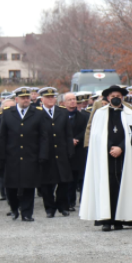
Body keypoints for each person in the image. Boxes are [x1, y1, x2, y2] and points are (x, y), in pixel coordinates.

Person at [80, 85, 132, 231]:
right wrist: (111, 147)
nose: (115, 98)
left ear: (122, 97)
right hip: (105, 156)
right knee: (107, 185)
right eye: (112, 96)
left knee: (122, 184)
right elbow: (97, 135)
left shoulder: (130, 114)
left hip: (125, 156)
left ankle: (120, 218)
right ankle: (107, 219)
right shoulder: (100, 113)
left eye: (118, 95)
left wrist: (121, 148)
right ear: (108, 98)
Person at [0, 87, 49, 222]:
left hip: (30, 155)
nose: (26, 100)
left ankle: (27, 213)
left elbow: (43, 136)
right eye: (23, 98)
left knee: (28, 185)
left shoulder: (37, 113)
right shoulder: (8, 113)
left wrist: (42, 154)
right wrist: (1, 156)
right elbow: (2, 136)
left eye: (27, 98)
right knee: (11, 186)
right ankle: (14, 208)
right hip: (12, 155)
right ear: (16, 99)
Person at [37, 87, 75, 218]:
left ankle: (62, 206)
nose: (51, 99)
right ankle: (49, 208)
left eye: (52, 97)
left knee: (64, 181)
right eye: (48, 97)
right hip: (46, 153)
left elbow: (68, 133)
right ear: (42, 99)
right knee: (46, 183)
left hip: (61, 151)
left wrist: (70, 150)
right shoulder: (37, 113)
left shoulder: (62, 112)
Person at [64, 92, 90, 211]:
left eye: (74, 99)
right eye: (69, 100)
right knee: (70, 179)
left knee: (82, 178)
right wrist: (69, 140)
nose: (72, 101)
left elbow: (86, 130)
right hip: (66, 150)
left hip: (80, 150)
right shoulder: (61, 116)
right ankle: (70, 201)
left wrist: (77, 139)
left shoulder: (84, 116)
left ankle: (83, 202)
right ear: (64, 103)